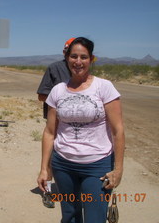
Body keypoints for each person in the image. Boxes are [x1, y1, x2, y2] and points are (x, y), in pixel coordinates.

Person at [37, 37, 125, 222]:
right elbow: (49, 132)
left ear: (91, 59)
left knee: (95, 217)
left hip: (97, 165)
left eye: (84, 57)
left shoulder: (104, 87)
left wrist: (118, 169)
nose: (78, 61)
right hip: (63, 164)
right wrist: (45, 169)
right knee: (69, 215)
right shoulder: (58, 90)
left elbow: (118, 130)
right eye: (74, 56)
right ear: (67, 58)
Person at [37, 37, 75, 119]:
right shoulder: (54, 68)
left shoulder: (84, 69)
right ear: (64, 52)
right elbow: (42, 96)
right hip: (57, 119)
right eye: (71, 52)